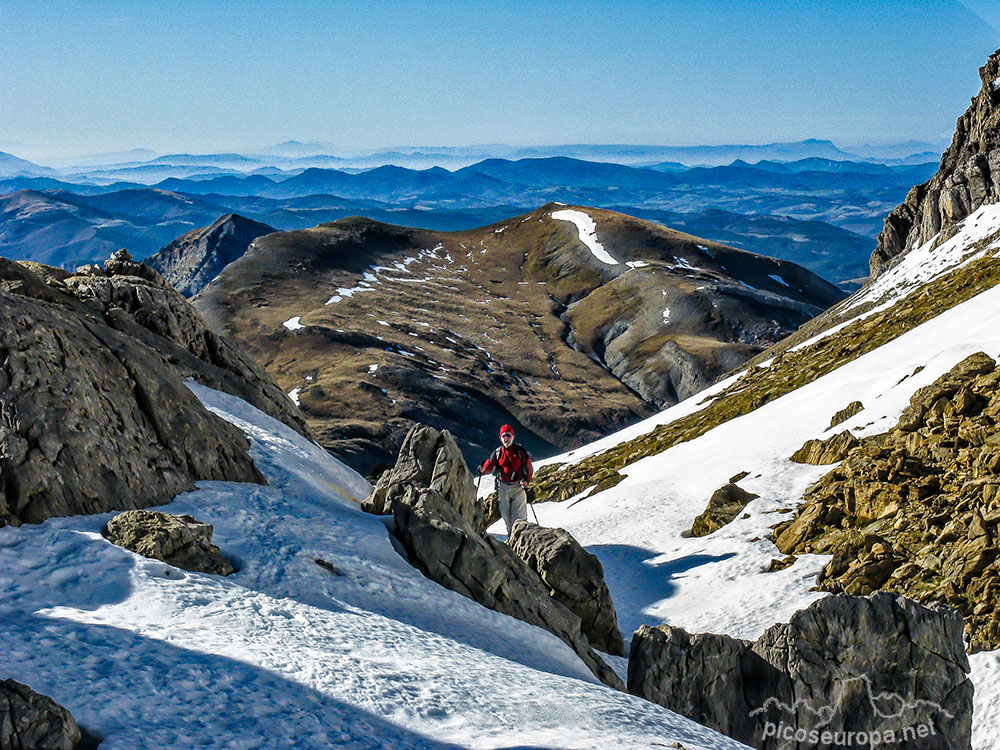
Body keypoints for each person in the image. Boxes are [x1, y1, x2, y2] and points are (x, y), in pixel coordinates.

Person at [478, 425, 534, 535]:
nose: (506, 438)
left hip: (518, 487)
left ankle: (521, 541)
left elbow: (529, 468)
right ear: (500, 438)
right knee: (507, 517)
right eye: (504, 436)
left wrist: (526, 480)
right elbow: (488, 466)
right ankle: (513, 542)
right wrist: (483, 470)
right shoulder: (498, 453)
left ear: (513, 437)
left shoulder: (520, 452)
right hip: (503, 488)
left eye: (508, 435)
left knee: (519, 519)